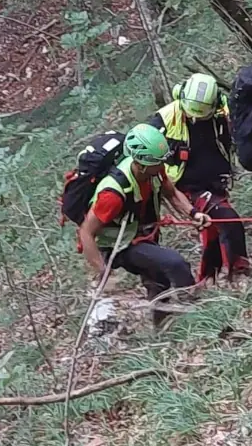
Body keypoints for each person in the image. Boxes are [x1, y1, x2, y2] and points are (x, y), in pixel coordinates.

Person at [78, 123, 211, 327]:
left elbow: (172, 193)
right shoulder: (112, 194)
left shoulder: (153, 170)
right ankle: (199, 314)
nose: (163, 165)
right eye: (159, 162)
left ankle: (162, 328)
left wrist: (193, 213)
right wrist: (104, 272)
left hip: (142, 235)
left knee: (159, 283)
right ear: (140, 164)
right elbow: (86, 233)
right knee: (175, 263)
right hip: (120, 246)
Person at [149, 72, 252, 283]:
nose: (195, 119)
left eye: (201, 116)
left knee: (212, 231)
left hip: (215, 181)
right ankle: (239, 273)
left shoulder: (223, 111)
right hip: (186, 187)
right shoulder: (164, 119)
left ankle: (207, 279)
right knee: (229, 220)